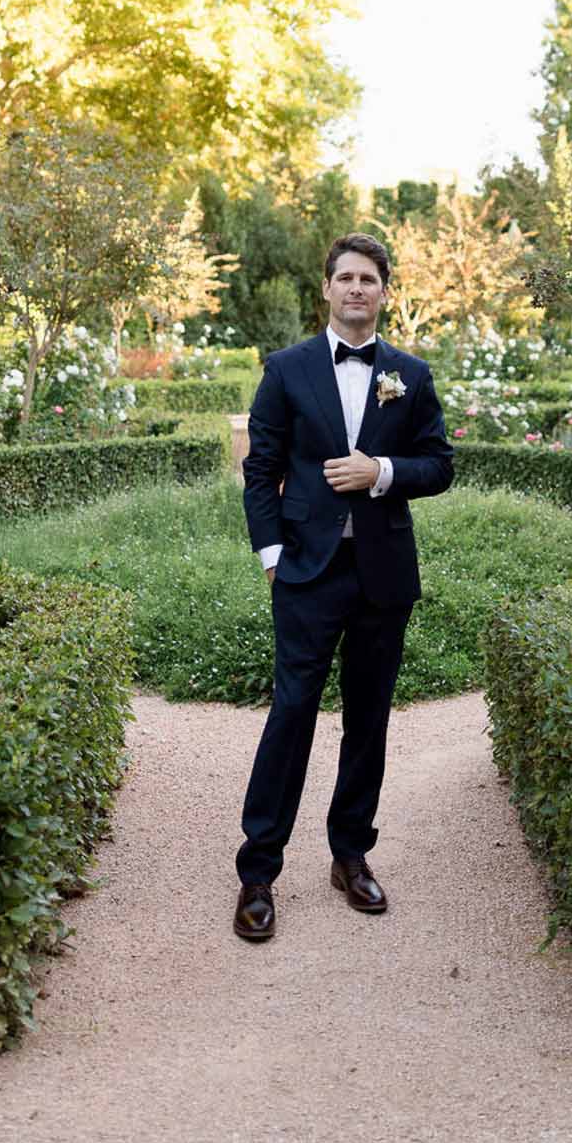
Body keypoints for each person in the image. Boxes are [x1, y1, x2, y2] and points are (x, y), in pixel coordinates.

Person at [233, 232, 455, 941]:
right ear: (327, 288)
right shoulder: (286, 370)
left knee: (370, 718)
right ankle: (259, 870)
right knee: (292, 711)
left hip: (383, 574)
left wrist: (380, 473)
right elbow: (260, 468)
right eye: (347, 278)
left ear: (385, 292)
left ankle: (350, 854)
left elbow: (440, 465)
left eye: (370, 279)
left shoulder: (410, 376)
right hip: (305, 571)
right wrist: (271, 554)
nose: (358, 289)